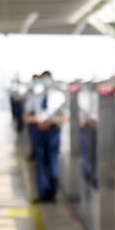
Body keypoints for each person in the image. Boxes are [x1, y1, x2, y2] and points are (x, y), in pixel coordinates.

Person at [24, 71, 68, 202]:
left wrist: (51, 122)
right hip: (39, 131)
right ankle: (42, 193)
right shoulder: (35, 97)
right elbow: (27, 115)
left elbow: (65, 115)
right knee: (40, 162)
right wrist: (38, 120)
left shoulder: (59, 96)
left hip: (53, 131)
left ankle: (52, 194)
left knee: (53, 161)